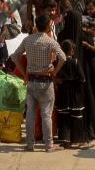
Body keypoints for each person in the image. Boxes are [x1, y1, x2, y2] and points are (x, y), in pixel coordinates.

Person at [9, 14, 65, 152]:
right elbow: (63, 57)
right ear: (47, 26)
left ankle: (29, 144)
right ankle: (48, 144)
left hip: (31, 81)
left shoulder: (28, 40)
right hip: (45, 81)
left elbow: (15, 56)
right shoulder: (50, 41)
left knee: (30, 114)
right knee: (46, 114)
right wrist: (55, 71)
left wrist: (24, 73)